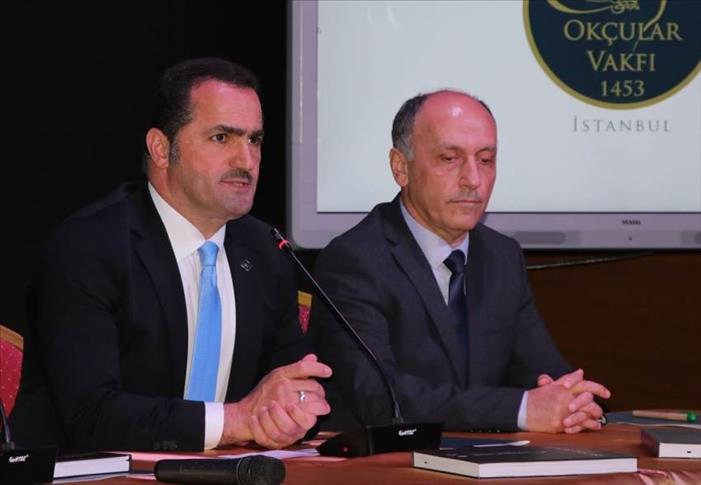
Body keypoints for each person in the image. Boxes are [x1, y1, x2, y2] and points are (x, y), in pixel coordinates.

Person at [11, 57, 331, 451]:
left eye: (254, 140)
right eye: (222, 138)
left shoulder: (266, 250)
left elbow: (293, 383)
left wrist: (294, 408)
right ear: (161, 149)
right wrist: (236, 420)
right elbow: (90, 415)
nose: (246, 161)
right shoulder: (88, 246)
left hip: (228, 471)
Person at [311, 89, 609, 434]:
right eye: (450, 158)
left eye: (486, 160)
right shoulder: (355, 261)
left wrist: (573, 401)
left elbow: (544, 371)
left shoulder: (501, 255)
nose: (473, 180)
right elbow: (380, 396)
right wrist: (521, 410)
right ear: (401, 168)